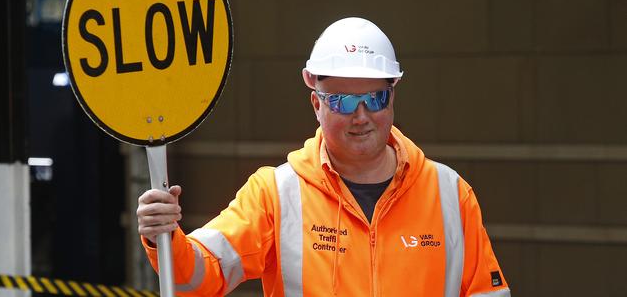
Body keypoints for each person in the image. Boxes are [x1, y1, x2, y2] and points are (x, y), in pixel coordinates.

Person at [137, 17, 511, 296]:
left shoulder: (449, 193)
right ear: (317, 104)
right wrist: (166, 239)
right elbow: (198, 277)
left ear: (392, 97)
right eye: (344, 101)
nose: (361, 115)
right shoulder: (275, 194)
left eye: (375, 98)